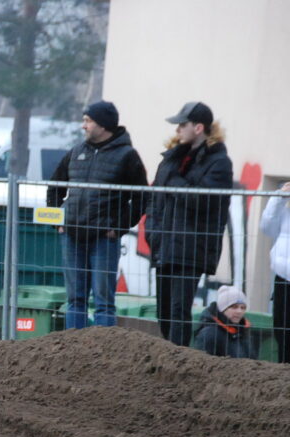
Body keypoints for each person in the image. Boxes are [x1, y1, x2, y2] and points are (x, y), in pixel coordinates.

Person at [47, 100, 148, 328]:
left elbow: (142, 197)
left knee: (104, 302)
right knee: (75, 299)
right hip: (71, 235)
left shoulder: (127, 156)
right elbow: (54, 187)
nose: (83, 125)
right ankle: (73, 345)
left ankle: (104, 349)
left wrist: (118, 227)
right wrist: (58, 222)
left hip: (104, 239)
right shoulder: (76, 152)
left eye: (88, 121)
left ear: (103, 125)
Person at [145, 101, 233, 346]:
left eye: (182, 125)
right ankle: (170, 355)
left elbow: (203, 200)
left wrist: (175, 182)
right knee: (164, 312)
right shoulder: (171, 159)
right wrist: (152, 231)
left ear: (198, 127)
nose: (177, 130)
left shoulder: (219, 162)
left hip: (191, 249)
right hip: (165, 244)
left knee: (178, 311)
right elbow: (154, 199)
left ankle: (179, 360)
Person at [261, 181, 290, 363]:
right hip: (283, 276)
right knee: (282, 331)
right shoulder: (284, 208)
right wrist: (279, 198)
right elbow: (267, 228)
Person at [192, 285, 257, 359]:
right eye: (234, 307)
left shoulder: (243, 332)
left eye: (243, 308)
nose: (239, 311)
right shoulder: (210, 334)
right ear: (222, 309)